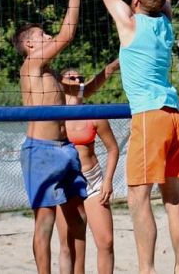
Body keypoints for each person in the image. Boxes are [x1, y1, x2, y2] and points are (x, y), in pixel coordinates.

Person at [98, 0, 179, 274]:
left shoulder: (130, 23)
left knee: (138, 198)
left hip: (150, 117)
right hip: (173, 116)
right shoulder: (165, 21)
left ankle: (147, 270)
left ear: (135, 2)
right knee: (173, 198)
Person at [12, 0, 88, 274]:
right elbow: (67, 35)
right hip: (40, 151)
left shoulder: (52, 75)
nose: (48, 36)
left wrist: (109, 70)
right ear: (30, 45)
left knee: (78, 220)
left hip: (65, 149)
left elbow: (83, 92)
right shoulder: (31, 64)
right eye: (42, 35)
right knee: (45, 221)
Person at [57, 60, 121, 274]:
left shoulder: (94, 114)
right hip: (66, 182)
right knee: (69, 246)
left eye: (81, 78)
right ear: (60, 83)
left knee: (106, 242)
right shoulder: (53, 115)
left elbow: (113, 149)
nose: (78, 80)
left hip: (93, 181)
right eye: (72, 77)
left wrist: (108, 181)